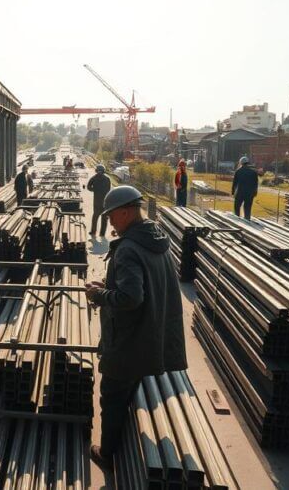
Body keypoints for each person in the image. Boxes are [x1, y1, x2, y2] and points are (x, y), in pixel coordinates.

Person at [84, 185, 186, 467]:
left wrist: (98, 295)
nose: (109, 221)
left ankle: (106, 454)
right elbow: (143, 284)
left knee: (112, 397)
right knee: (128, 388)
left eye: (112, 215)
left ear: (126, 212)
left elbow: (131, 297)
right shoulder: (154, 237)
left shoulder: (128, 248)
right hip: (150, 334)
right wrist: (107, 285)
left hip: (130, 341)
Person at [85, 165, 112, 236]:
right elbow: (109, 189)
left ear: (96, 170)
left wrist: (94, 190)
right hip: (105, 202)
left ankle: (93, 232)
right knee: (104, 219)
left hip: (97, 202)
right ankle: (102, 233)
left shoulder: (94, 178)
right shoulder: (107, 179)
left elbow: (88, 187)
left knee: (95, 218)